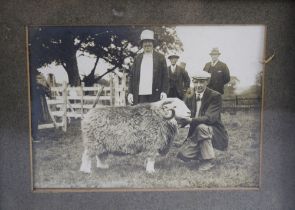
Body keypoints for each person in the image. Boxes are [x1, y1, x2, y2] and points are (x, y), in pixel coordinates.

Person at [177, 71, 229, 171]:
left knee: (202, 127)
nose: (198, 85)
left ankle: (208, 161)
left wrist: (190, 120)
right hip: (195, 133)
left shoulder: (215, 96)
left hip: (213, 132)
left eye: (202, 82)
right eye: (196, 82)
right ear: (193, 82)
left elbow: (210, 118)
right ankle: (201, 153)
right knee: (182, 155)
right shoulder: (189, 93)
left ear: (207, 82)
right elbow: (182, 111)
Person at [128, 29, 169, 105]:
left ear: (153, 43)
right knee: (139, 115)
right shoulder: (137, 58)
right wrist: (130, 92)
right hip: (140, 95)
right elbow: (132, 76)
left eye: (149, 41)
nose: (147, 44)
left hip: (155, 94)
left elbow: (165, 76)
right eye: (145, 42)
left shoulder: (160, 57)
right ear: (142, 44)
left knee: (155, 116)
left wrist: (164, 91)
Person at [31, 72, 52, 141]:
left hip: (36, 106)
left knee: (35, 120)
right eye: (38, 78)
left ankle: (34, 136)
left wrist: (45, 82)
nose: (40, 79)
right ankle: (34, 136)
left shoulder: (40, 86)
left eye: (40, 78)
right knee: (33, 120)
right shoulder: (33, 85)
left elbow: (49, 93)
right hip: (33, 105)